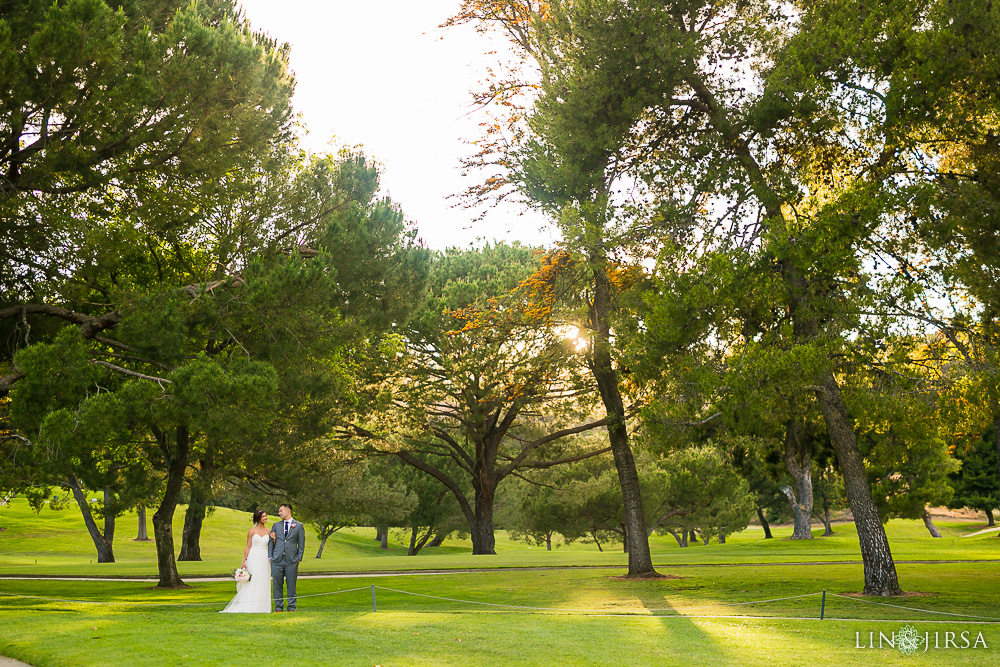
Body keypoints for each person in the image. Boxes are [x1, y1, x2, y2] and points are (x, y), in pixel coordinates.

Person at [220, 510, 272, 613]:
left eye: (266, 516)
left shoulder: (269, 531)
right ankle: (249, 605)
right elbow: (248, 546)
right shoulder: (251, 531)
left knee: (262, 580)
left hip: (264, 557)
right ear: (258, 518)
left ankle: (262, 607)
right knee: (252, 580)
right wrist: (244, 561)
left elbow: (272, 546)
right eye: (263, 516)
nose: (265, 518)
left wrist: (274, 539)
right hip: (253, 556)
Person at [268, 502, 305, 612]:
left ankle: (291, 607)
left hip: (291, 560)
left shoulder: (298, 526)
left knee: (291, 585)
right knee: (277, 585)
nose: (279, 513)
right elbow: (271, 542)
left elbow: (301, 544)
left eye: (281, 511)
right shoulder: (276, 525)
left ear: (287, 511)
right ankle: (278, 607)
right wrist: (270, 557)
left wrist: (298, 558)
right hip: (277, 560)